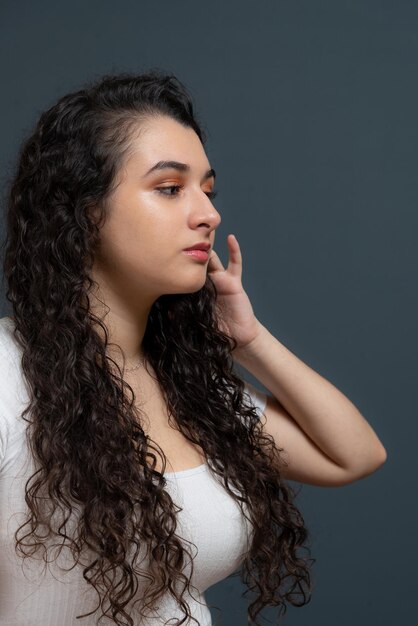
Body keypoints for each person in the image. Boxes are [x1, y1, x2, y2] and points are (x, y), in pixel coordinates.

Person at [0, 71, 387, 626]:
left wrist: (250, 342)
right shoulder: (8, 376)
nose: (208, 213)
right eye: (169, 188)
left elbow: (354, 455)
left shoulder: (187, 385)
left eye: (207, 188)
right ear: (85, 209)